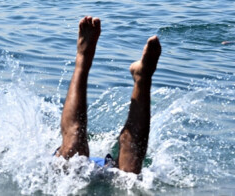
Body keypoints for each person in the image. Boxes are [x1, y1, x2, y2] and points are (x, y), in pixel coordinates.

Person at [55, 16, 160, 174]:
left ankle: (83, 58)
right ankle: (142, 79)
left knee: (73, 151)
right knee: (131, 170)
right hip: (97, 172)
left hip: (76, 171)